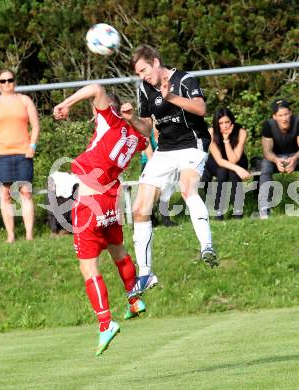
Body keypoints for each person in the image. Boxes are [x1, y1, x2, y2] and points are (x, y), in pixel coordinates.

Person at [53, 84, 148, 356]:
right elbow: (146, 133)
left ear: (107, 110)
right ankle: (133, 299)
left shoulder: (109, 120)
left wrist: (67, 103)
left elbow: (96, 88)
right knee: (118, 250)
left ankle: (105, 323)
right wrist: (133, 119)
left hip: (89, 203)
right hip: (110, 201)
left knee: (88, 267)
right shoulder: (134, 137)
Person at [122, 44, 218, 296]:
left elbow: (200, 109)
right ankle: (145, 274)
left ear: (155, 61)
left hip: (192, 144)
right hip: (164, 150)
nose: (143, 76)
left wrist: (171, 97)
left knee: (188, 189)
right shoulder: (144, 88)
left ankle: (207, 246)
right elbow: (146, 128)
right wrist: (132, 119)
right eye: (139, 73)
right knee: (139, 209)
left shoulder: (184, 79)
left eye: (144, 69)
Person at [0, 69, 39, 242]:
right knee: (6, 194)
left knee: (26, 192)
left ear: (14, 81)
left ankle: (29, 235)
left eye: (10, 80)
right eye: (3, 81)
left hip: (24, 152)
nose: (7, 83)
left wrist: (32, 146)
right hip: (1, 154)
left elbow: (36, 126)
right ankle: (11, 235)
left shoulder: (25, 100)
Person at [202, 107, 250, 220]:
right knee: (222, 172)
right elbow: (219, 160)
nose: (224, 126)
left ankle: (238, 212)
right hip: (217, 161)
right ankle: (219, 212)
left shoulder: (241, 132)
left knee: (234, 174)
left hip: (237, 160)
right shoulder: (211, 132)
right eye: (221, 123)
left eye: (227, 122)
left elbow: (234, 159)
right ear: (216, 123)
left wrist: (226, 140)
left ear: (232, 121)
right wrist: (237, 168)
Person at [258, 99, 299, 219]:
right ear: (275, 116)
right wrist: (276, 160)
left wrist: (295, 158)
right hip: (275, 157)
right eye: (280, 115)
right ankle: (264, 208)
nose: (284, 118)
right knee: (265, 167)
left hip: (296, 155)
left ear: (290, 113)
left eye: (286, 114)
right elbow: (267, 152)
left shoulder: (298, 122)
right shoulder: (268, 125)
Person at [141, 127, 176, 227]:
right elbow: (150, 156)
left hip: (165, 164)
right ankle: (149, 218)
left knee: (165, 188)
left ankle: (165, 219)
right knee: (152, 190)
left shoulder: (167, 129)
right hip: (149, 163)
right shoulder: (146, 129)